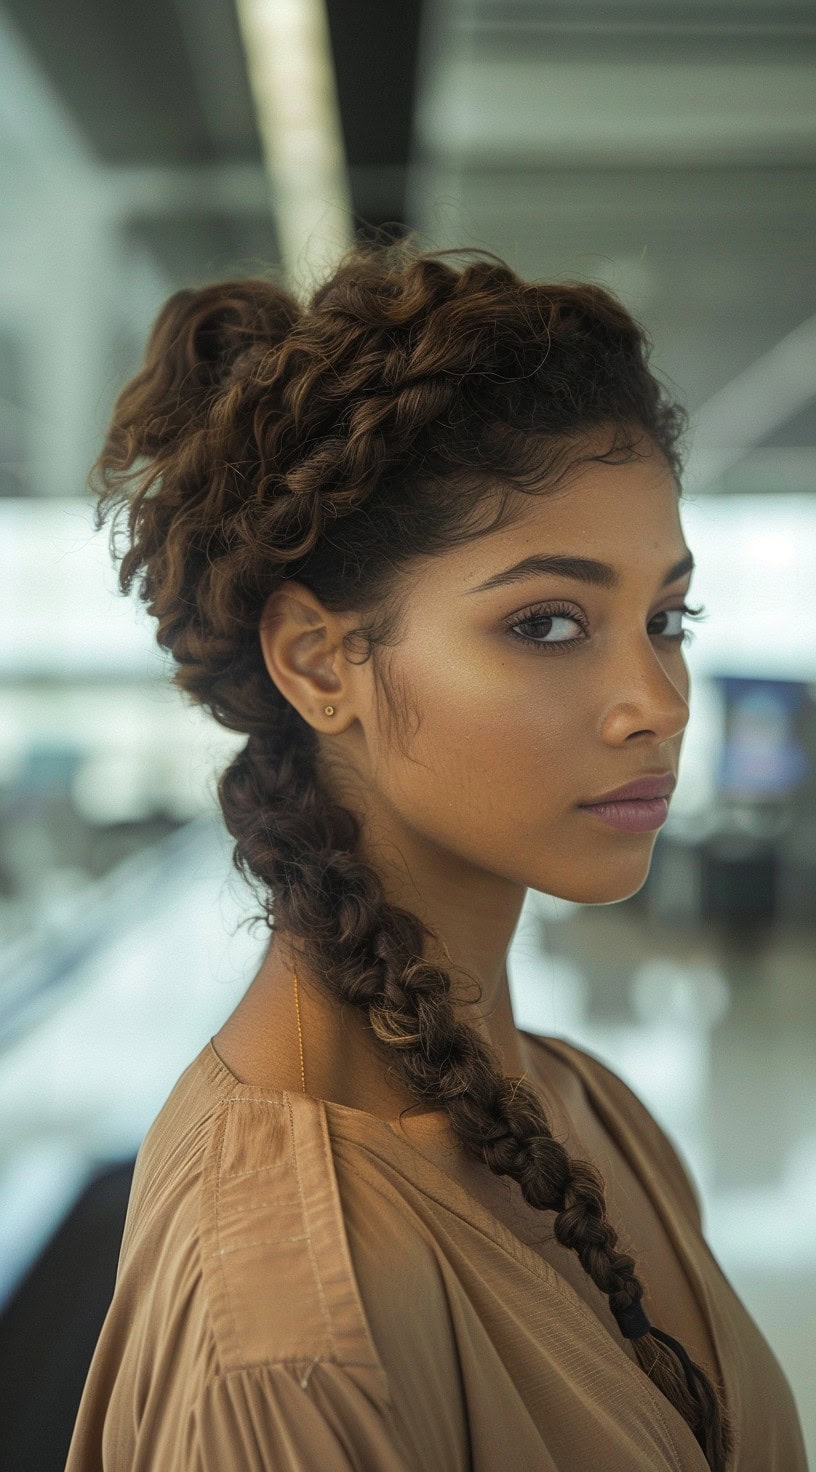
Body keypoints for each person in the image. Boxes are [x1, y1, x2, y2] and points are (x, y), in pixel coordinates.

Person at [65, 236, 807, 1471]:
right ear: (317, 661)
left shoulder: (596, 1116)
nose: (658, 701)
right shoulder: (291, 1328)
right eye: (547, 622)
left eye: (666, 618)